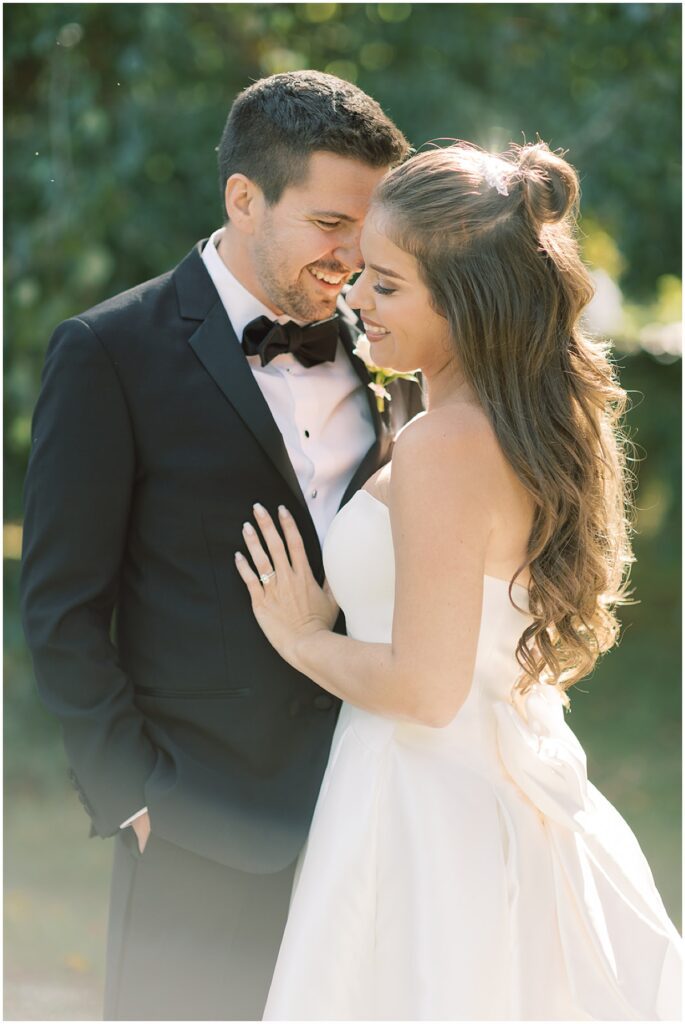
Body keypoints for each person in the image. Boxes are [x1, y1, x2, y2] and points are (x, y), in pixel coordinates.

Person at [233, 140, 683, 1020]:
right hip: (483, 796)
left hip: (419, 814)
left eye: (389, 285)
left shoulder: (446, 445)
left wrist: (300, 637)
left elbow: (425, 688)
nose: (357, 299)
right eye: (363, 273)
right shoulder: (507, 425)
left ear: (470, 305)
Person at [20, 70, 416, 1020]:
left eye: (368, 227)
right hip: (196, 823)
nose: (354, 255)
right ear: (244, 198)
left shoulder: (391, 344)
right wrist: (137, 799)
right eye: (329, 224)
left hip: (372, 802)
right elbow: (62, 608)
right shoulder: (108, 350)